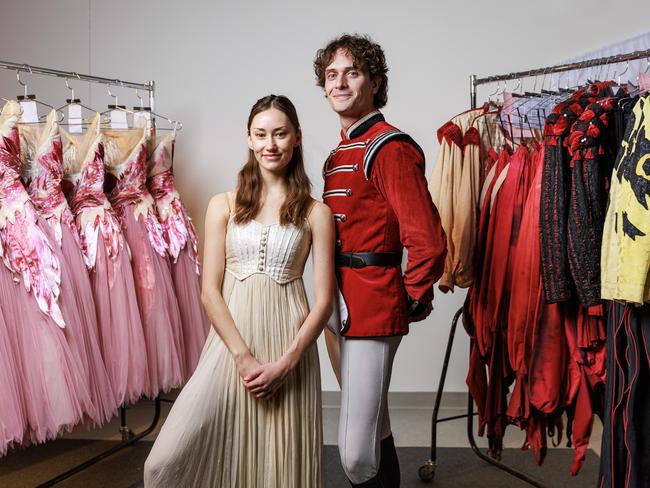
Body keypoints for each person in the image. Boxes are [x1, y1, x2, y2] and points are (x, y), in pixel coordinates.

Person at [143, 94, 334, 488]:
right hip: (232, 348)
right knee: (162, 463)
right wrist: (244, 358)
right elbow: (209, 292)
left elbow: (325, 301)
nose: (270, 144)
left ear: (296, 137)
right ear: (248, 139)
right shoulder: (224, 205)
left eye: (280, 134)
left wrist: (286, 364)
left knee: (279, 467)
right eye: (261, 134)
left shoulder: (317, 212)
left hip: (289, 351)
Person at [314, 34, 447, 487]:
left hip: (372, 306)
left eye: (352, 72)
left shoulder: (389, 146)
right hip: (339, 304)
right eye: (332, 75)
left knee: (353, 454)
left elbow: (427, 238)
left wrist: (409, 296)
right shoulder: (338, 152)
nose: (340, 83)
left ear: (374, 81)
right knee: (378, 424)